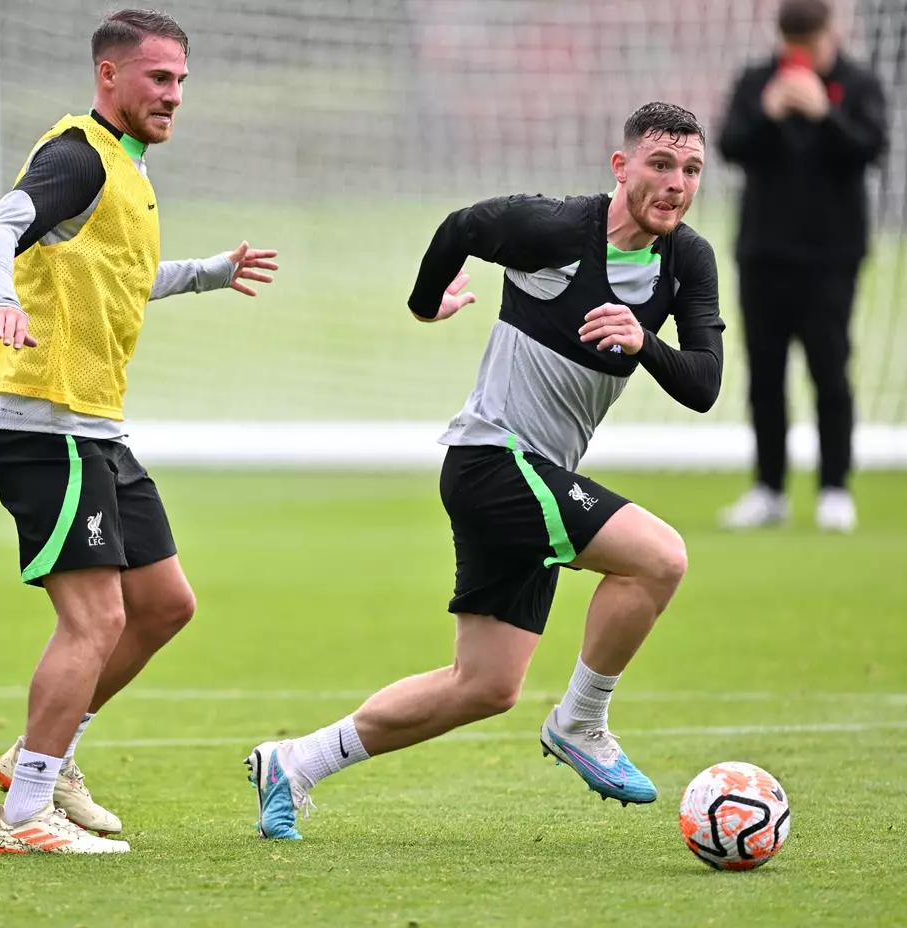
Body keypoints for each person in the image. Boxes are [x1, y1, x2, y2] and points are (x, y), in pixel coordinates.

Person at [246, 103, 724, 840]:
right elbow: (464, 227)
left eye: (691, 169)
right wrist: (423, 302)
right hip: (494, 461)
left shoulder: (686, 261)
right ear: (621, 166)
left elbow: (702, 385)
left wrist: (642, 344)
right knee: (660, 559)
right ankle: (582, 724)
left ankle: (295, 763)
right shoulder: (558, 229)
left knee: (486, 686)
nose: (676, 184)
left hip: (531, 475)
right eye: (660, 165)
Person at [0, 8, 278, 854]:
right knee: (94, 620)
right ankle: (24, 814)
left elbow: (123, 276)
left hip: (95, 431)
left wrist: (210, 274)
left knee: (164, 604)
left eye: (181, 81)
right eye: (159, 79)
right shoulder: (75, 158)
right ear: (110, 76)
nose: (174, 95)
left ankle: (47, 753)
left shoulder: (128, 170)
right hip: (45, 428)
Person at [717, 0, 888, 533]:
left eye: (808, 43)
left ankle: (834, 489)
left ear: (828, 35)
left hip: (831, 259)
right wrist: (768, 113)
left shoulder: (858, 84)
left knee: (830, 372)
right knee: (764, 376)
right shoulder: (756, 80)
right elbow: (727, 146)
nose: (800, 54)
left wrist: (823, 114)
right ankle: (769, 489)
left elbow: (871, 148)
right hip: (764, 253)